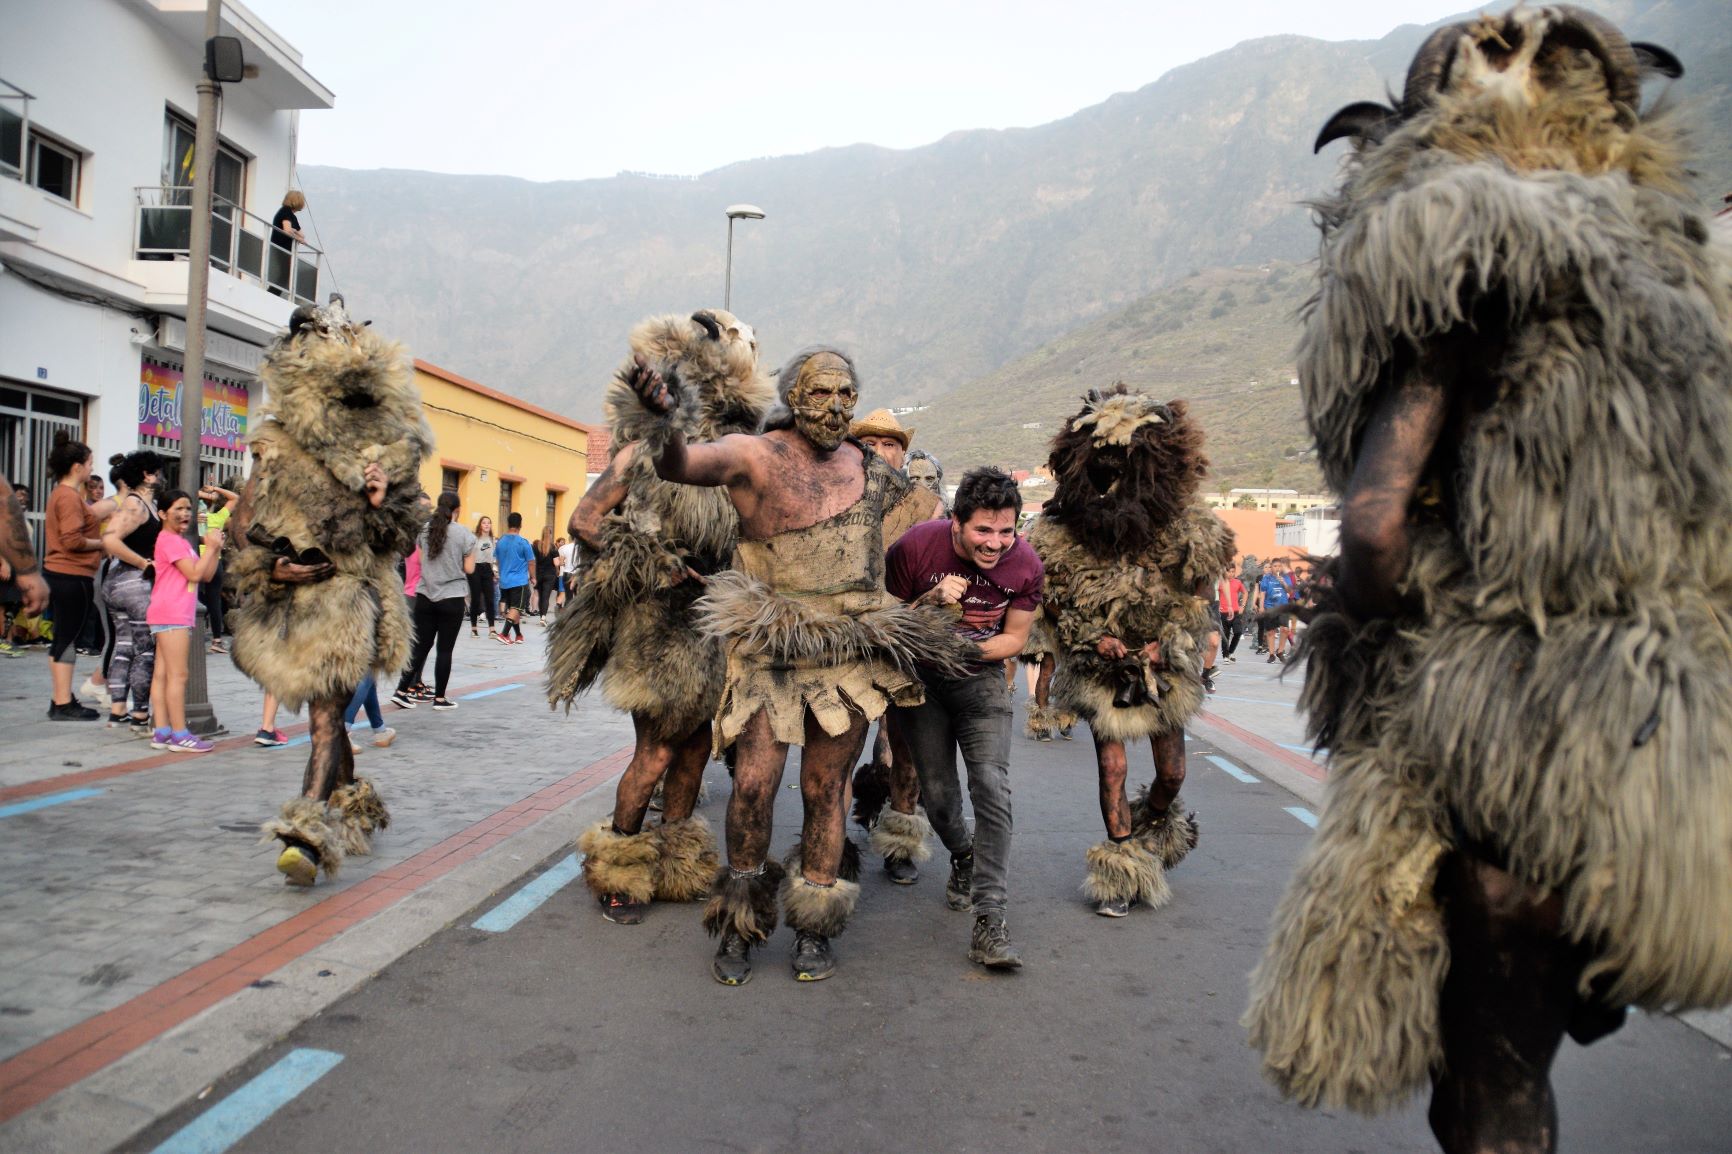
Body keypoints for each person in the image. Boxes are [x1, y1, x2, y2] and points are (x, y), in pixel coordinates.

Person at [1243, 11, 1732, 1153]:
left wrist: (1390, 627)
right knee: (1527, 1041)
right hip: (1669, 744)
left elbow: (1369, 528)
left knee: (1492, 1090)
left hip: (1509, 733)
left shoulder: (1462, 289)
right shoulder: (1691, 305)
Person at [637, 344, 975, 984]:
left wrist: (936, 594)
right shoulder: (755, 455)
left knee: (827, 791)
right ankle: (739, 918)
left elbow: (922, 528)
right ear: (794, 397)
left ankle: (816, 923)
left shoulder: (873, 471)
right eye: (822, 393)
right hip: (772, 648)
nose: (836, 406)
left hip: (848, 653)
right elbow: (681, 463)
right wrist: (663, 421)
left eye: (846, 394)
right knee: (754, 785)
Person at [550, 309, 773, 926]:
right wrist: (657, 561)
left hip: (713, 626)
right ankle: (618, 864)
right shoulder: (644, 450)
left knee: (698, 748)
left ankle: (676, 861)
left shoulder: (737, 459)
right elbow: (585, 522)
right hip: (656, 624)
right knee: (655, 750)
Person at [230, 300, 433, 886]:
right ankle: (350, 801)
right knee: (332, 723)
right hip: (291, 610)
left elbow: (400, 536)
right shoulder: (275, 444)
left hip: (349, 605)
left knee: (324, 718)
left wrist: (378, 501)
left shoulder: (391, 452)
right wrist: (271, 566)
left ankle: (305, 836)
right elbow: (244, 524)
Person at [1029, 386, 1235, 918]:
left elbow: (1198, 601)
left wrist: (1169, 643)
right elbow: (1052, 604)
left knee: (1173, 773)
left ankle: (1156, 820)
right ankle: (1119, 864)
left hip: (1163, 665)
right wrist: (1090, 638)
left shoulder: (1190, 530)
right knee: (1112, 766)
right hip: (1099, 667)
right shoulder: (1056, 537)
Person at [885, 466, 1041, 969]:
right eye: (983, 530)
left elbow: (1016, 639)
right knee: (939, 798)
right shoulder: (915, 547)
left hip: (981, 678)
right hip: (921, 683)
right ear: (956, 522)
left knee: (992, 786)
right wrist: (928, 603)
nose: (995, 543)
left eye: (1005, 531)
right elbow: (881, 616)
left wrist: (964, 652)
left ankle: (990, 920)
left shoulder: (1026, 565)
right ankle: (963, 853)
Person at [846, 407, 949, 886]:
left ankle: (900, 842)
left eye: (889, 444)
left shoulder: (926, 504)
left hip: (906, 641)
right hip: (848, 643)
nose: (878, 451)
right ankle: (831, 847)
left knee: (904, 747)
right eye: (868, 442)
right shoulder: (837, 498)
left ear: (903, 453)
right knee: (837, 749)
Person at [145, 490, 223, 752]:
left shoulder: (179, 541)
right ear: (163, 514)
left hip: (169, 612)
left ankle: (163, 731)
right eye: (178, 509)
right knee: (178, 675)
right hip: (172, 613)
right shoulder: (171, 541)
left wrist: (214, 551)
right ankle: (180, 734)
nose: (185, 514)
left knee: (163, 675)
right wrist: (211, 547)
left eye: (188, 508)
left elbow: (206, 574)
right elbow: (194, 572)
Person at [42, 434, 110, 719]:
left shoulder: (63, 493)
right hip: (70, 574)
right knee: (67, 638)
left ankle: (62, 698)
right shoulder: (68, 497)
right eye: (89, 463)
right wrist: (102, 544)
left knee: (63, 637)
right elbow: (71, 540)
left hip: (64, 573)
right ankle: (61, 703)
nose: (91, 469)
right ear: (76, 467)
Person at [100, 450, 166, 734]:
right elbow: (110, 540)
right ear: (148, 475)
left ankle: (118, 710)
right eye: (159, 472)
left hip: (119, 585)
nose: (162, 477)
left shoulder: (142, 504)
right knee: (145, 650)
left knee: (124, 647)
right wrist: (143, 563)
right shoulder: (136, 505)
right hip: (134, 585)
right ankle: (139, 713)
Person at [391, 491, 475, 711]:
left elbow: (419, 560)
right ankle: (439, 698)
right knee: (444, 650)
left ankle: (401, 690)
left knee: (420, 646)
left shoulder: (424, 531)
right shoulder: (464, 534)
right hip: (452, 596)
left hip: (425, 595)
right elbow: (469, 568)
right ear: (457, 510)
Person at [0, 472, 48, 658]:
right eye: (18, 495)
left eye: (25, 497)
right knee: (3, 604)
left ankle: (9, 639)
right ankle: (4, 640)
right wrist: (3, 563)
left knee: (11, 603)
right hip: (6, 566)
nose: (22, 499)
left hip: (15, 568)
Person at [198, 480, 239, 653]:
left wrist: (203, 492)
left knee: (197, 598)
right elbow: (235, 498)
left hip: (198, 561)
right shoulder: (218, 517)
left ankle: (196, 633)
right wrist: (215, 489)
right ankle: (216, 641)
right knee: (214, 600)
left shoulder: (193, 519)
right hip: (216, 561)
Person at [493, 512, 534, 644]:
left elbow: (497, 560)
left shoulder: (500, 542)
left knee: (512, 609)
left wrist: (500, 573)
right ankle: (504, 634)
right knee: (516, 608)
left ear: (508, 524)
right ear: (520, 525)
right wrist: (533, 577)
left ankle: (518, 635)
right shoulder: (523, 542)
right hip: (519, 581)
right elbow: (531, 562)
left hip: (504, 580)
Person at [269, 190, 307, 294]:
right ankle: (272, 293)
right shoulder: (285, 211)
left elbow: (301, 234)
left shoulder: (292, 216)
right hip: (280, 246)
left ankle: (274, 293)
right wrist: (297, 236)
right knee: (285, 272)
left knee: (286, 273)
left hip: (286, 248)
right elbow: (287, 230)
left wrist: (295, 232)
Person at [1255, 559, 1292, 663]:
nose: (1277, 568)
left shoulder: (1285, 577)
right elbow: (1262, 593)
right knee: (1271, 631)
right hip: (1270, 607)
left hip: (1283, 606)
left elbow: (1290, 591)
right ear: (1271, 567)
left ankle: (1280, 651)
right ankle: (1271, 654)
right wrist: (1261, 607)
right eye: (1275, 566)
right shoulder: (1266, 578)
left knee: (1285, 629)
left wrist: (1283, 583)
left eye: (1279, 566)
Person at [468, 514, 497, 637]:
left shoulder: (492, 539)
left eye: (488, 523)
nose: (486, 525)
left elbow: (494, 558)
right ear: (480, 525)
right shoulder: (474, 538)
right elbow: (469, 554)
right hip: (476, 568)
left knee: (490, 599)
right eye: (484, 523)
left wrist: (495, 571)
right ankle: (474, 628)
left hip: (487, 569)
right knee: (475, 599)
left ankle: (492, 628)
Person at [531, 525, 558, 622]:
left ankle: (541, 616)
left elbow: (532, 561)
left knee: (540, 595)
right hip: (550, 574)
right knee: (546, 596)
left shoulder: (536, 546)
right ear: (550, 534)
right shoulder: (553, 547)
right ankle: (543, 617)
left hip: (538, 574)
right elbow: (556, 563)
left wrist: (532, 575)